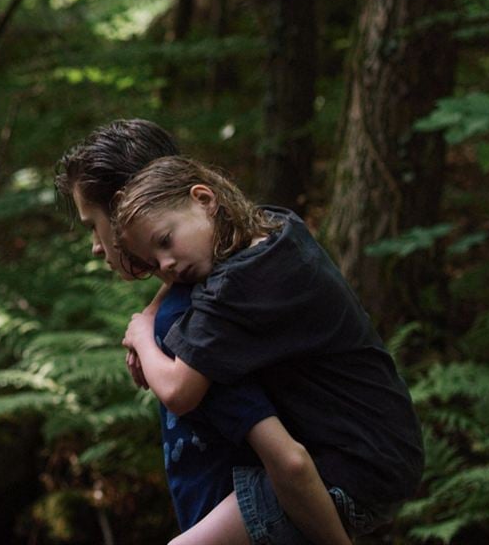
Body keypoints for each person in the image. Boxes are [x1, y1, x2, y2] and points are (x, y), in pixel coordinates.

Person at [56, 120, 351, 544]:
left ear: (127, 210)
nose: (96, 246)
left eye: (92, 225)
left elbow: (283, 457)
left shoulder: (199, 326)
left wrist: (150, 328)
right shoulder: (240, 269)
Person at [114, 155, 424, 544]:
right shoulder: (277, 229)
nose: (168, 265)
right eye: (153, 263)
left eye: (165, 241)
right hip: (391, 445)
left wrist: (142, 335)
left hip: (352, 468)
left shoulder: (236, 290)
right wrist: (154, 308)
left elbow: (178, 392)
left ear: (204, 199)